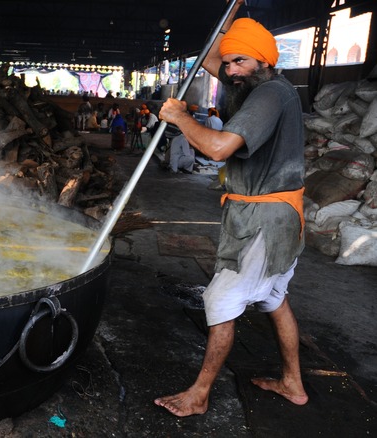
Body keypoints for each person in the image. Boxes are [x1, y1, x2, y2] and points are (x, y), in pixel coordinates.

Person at [155, 1, 308, 417]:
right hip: (282, 217)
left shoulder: (270, 94)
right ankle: (293, 383)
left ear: (264, 59)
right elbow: (213, 57)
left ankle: (200, 394)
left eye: (239, 60)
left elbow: (220, 148)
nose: (231, 69)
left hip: (263, 221)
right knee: (275, 298)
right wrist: (229, 18)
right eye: (228, 63)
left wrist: (179, 118)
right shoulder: (255, 83)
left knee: (220, 301)